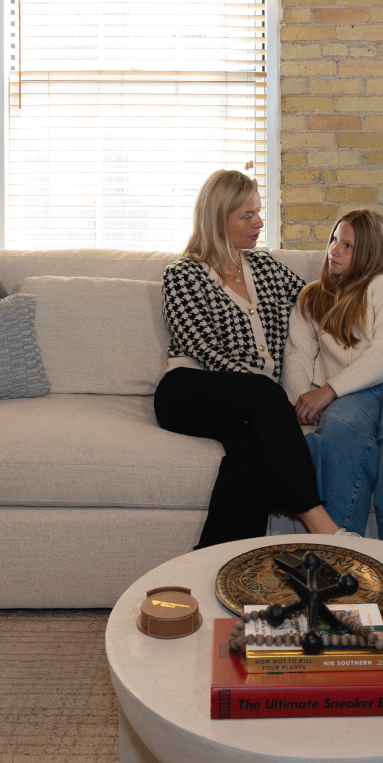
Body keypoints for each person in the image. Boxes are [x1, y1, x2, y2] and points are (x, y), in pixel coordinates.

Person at [154, 170, 341, 548]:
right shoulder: (183, 275)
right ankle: (322, 525)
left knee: (252, 449)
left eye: (258, 212)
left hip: (250, 402)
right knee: (261, 393)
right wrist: (271, 401)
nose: (259, 223)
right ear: (217, 219)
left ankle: (222, 561)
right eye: (247, 216)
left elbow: (318, 302)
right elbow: (203, 348)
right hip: (188, 392)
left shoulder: (266, 267)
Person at [283, 209, 383, 547]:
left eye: (348, 246)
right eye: (334, 240)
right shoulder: (311, 298)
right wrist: (303, 399)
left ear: (371, 254)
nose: (334, 250)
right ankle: (343, 557)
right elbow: (297, 355)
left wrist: (327, 391)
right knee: (338, 438)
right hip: (352, 393)